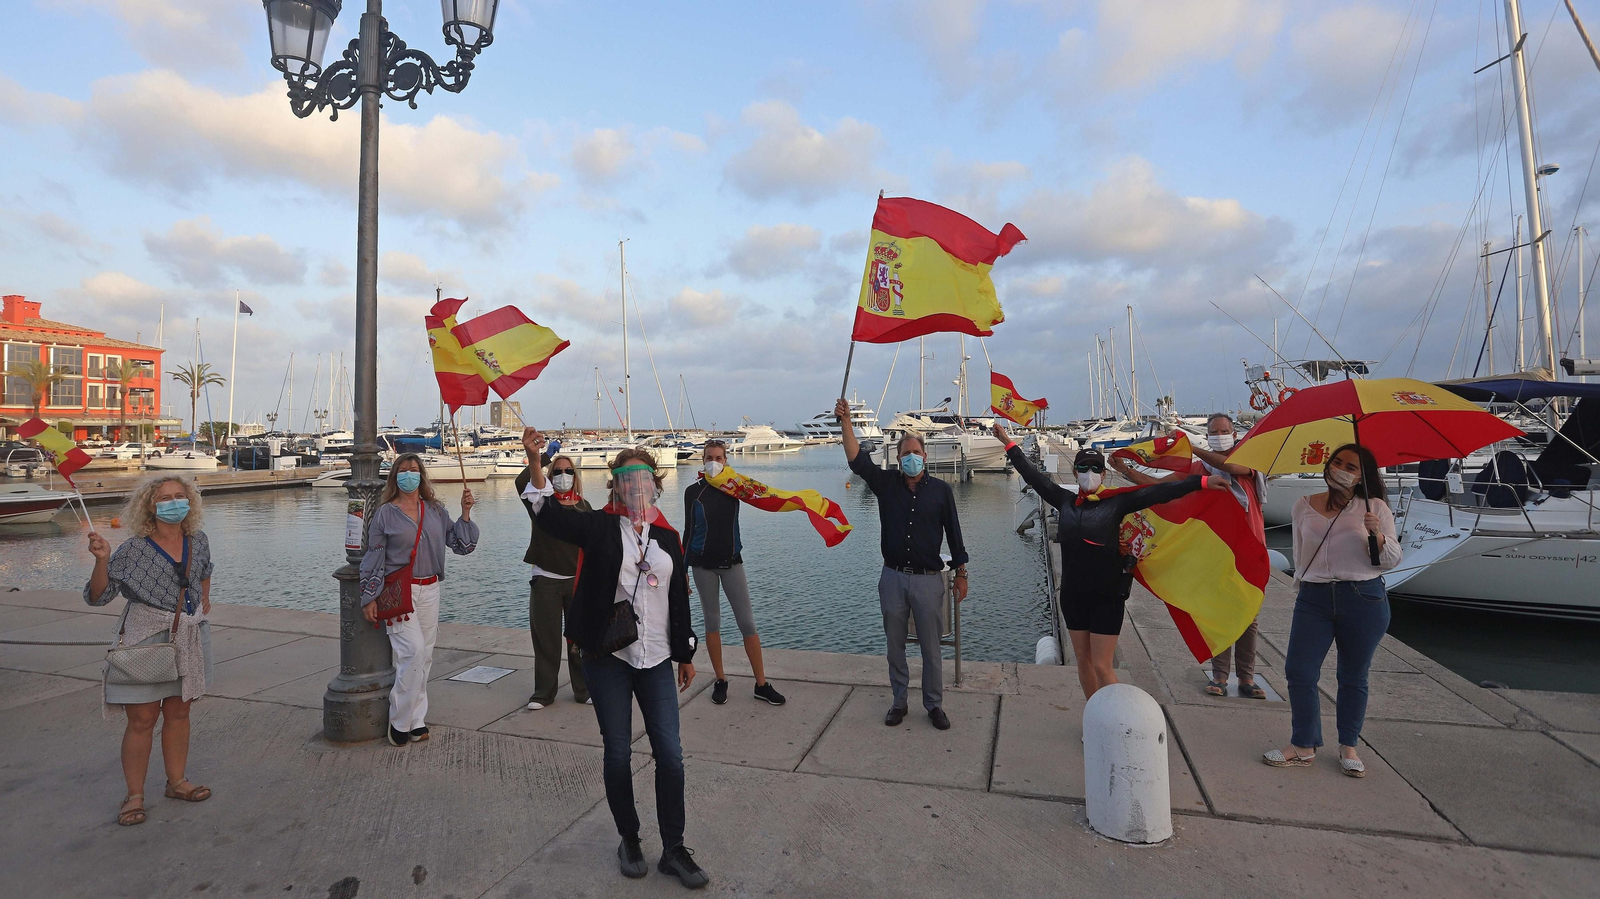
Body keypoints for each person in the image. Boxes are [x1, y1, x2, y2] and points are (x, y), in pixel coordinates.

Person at [522, 436, 708, 889]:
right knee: (618, 752)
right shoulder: (598, 527)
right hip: (609, 656)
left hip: (658, 657)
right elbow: (548, 514)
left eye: (643, 478)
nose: (636, 487)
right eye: (627, 480)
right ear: (615, 488)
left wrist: (685, 653)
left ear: (655, 484)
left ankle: (674, 848)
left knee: (671, 756)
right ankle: (629, 838)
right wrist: (534, 461)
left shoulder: (667, 535)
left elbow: (679, 597)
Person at [997, 422, 1227, 700]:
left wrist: (1201, 482)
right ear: (1074, 472)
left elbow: (1160, 493)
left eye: (1095, 469)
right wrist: (1008, 443)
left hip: (1107, 597)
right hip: (1072, 596)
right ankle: (1095, 715)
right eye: (1083, 468)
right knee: (1082, 661)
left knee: (1102, 665)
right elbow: (1033, 476)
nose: (1088, 473)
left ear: (1104, 474)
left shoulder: (1116, 503)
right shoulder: (1065, 502)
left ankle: (1116, 721)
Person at [85, 474, 215, 827]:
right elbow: (99, 596)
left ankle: (177, 782)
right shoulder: (133, 549)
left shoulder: (198, 541)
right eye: (165, 498)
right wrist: (101, 560)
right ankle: (135, 795)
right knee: (142, 720)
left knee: (179, 713)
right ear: (150, 506)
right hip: (146, 638)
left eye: (179, 496)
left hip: (187, 636)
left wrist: (203, 599)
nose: (174, 503)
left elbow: (205, 571)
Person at [1264, 444, 1401, 778]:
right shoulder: (1302, 505)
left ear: (1361, 476)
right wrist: (1303, 587)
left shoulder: (1374, 507)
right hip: (1314, 598)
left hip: (1363, 597)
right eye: (1337, 462)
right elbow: (1299, 554)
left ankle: (1349, 745)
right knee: (1299, 671)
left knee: (1353, 676)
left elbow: (1393, 559)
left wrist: (1377, 536)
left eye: (1351, 466)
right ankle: (1303, 743)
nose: (1341, 469)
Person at [1109, 413, 1269, 699]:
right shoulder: (1197, 469)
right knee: (1216, 610)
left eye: (1225, 430)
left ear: (1234, 434)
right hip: (1215, 550)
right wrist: (1126, 471)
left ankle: (1247, 677)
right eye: (1215, 431)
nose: (1220, 435)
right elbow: (1162, 488)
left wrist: (1190, 447)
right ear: (1207, 434)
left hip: (1248, 548)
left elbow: (1230, 466)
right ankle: (1220, 676)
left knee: (1248, 616)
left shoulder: (1249, 459)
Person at [837, 397, 968, 731]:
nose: (912, 458)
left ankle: (934, 705)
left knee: (931, 649)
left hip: (929, 580)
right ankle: (899, 701)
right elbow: (856, 460)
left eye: (917, 453)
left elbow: (954, 534)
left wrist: (961, 574)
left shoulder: (940, 491)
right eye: (905, 453)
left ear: (925, 456)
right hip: (892, 577)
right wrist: (846, 422)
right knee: (894, 645)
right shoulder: (887, 485)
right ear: (898, 458)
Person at [358, 453, 478, 747]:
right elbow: (373, 555)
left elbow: (461, 544)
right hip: (400, 592)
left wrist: (465, 513)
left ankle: (416, 720)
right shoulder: (385, 513)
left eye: (413, 470)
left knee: (424, 655)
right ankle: (399, 722)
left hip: (431, 588)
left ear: (421, 475)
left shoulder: (435, 510)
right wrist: (369, 597)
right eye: (403, 470)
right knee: (412, 651)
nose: (408, 474)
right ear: (394, 476)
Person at [683, 439, 785, 707]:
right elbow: (688, 531)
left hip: (733, 563)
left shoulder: (736, 487)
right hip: (702, 565)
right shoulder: (693, 492)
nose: (713, 462)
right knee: (712, 622)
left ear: (726, 460)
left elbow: (767, 496)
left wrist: (797, 502)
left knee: (747, 623)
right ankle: (720, 680)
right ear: (702, 459)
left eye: (718, 457)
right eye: (709, 457)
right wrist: (681, 571)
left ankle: (761, 684)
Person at [515, 431, 591, 710]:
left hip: (577, 582)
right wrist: (540, 457)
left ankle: (583, 689)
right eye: (557, 470)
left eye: (568, 470)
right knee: (546, 641)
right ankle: (543, 693)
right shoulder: (540, 502)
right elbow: (523, 480)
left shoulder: (585, 507)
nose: (563, 474)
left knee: (579, 640)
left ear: (575, 474)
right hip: (545, 579)